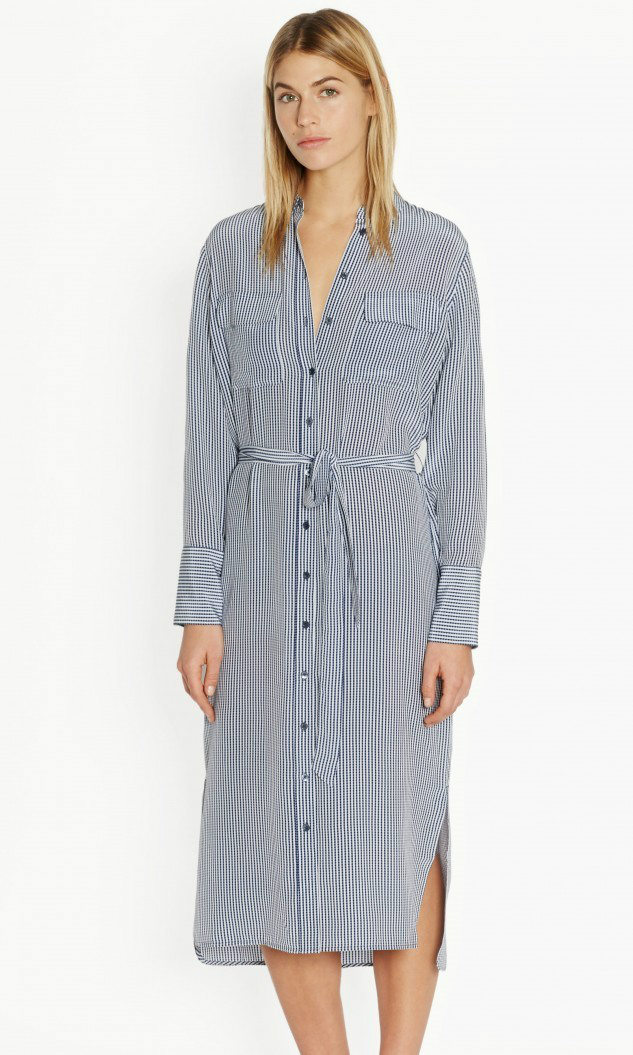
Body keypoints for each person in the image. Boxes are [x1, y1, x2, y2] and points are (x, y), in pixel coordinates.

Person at [174, 9, 486, 1053]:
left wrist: (455, 620)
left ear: (370, 101)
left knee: (400, 818)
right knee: (272, 825)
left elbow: (461, 449)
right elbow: (208, 439)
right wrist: (201, 606)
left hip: (392, 577)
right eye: (286, 96)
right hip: (262, 575)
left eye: (327, 91)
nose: (305, 116)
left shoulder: (435, 254)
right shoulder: (231, 253)